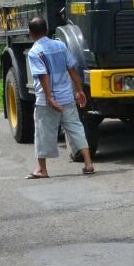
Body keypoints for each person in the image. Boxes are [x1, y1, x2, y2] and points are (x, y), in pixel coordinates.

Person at [25, 17, 96, 179]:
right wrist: (79, 90)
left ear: (31, 34)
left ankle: (42, 169)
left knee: (43, 132)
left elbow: (43, 76)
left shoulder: (35, 52)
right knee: (76, 128)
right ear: (47, 29)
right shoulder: (60, 45)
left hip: (46, 100)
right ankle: (88, 163)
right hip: (67, 97)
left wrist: (50, 98)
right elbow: (71, 69)